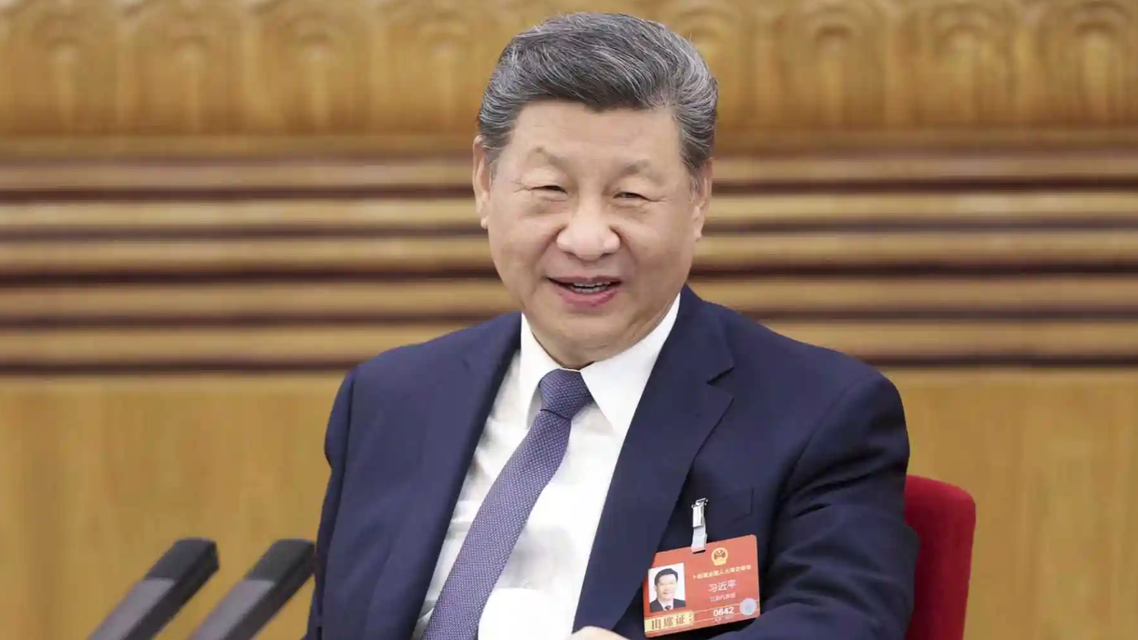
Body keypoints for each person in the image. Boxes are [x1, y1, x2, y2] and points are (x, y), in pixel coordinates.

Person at [304, 11, 918, 640]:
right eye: (550, 189)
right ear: (485, 182)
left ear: (698, 197)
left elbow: (840, 620)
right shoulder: (387, 400)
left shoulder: (821, 414)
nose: (588, 238)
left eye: (631, 196)